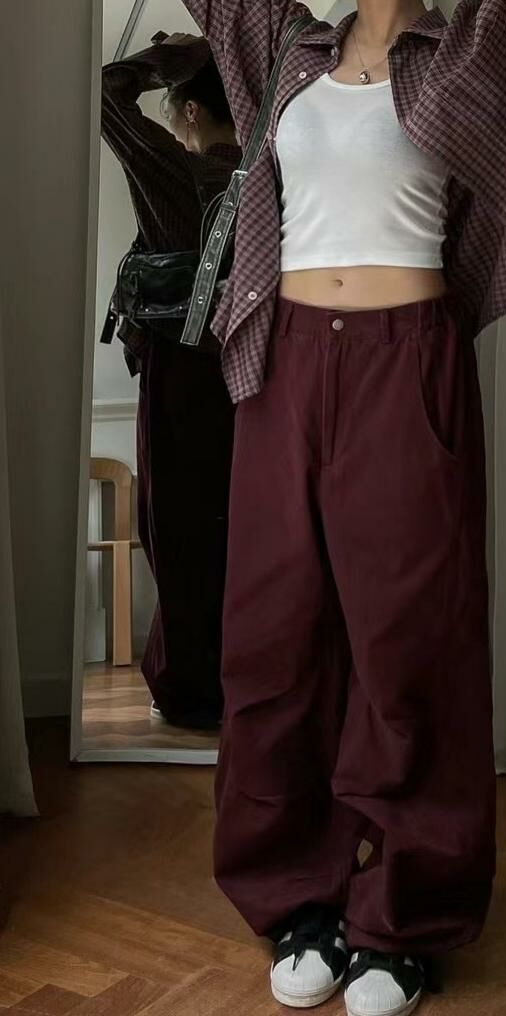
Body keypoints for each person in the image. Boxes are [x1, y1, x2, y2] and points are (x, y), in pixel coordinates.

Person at [180, 1, 506, 1014]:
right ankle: (298, 895)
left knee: (412, 646)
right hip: (284, 365)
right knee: (273, 639)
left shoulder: (474, 47)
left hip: (407, 364)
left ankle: (404, 918)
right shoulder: (287, 44)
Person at [101, 34, 241, 729]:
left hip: (181, 369)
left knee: (177, 529)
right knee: (242, 528)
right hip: (258, 369)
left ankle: (191, 686)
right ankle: (245, 679)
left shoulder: (177, 170)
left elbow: (105, 94)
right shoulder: (269, 170)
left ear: (188, 111)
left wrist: (176, 55)